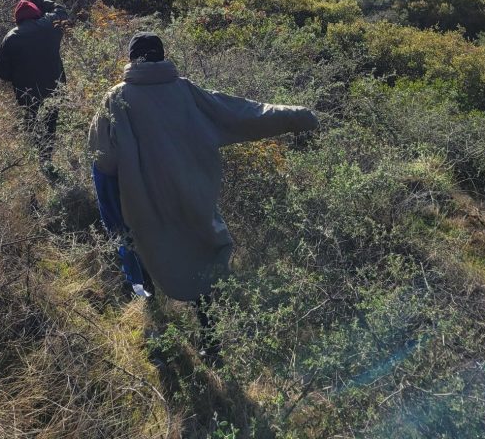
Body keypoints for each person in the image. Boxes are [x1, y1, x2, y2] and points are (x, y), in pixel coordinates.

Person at [88, 32, 319, 310]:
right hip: (193, 201)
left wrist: (116, 212)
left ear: (131, 59)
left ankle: (152, 310)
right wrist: (300, 115)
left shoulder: (116, 98)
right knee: (202, 266)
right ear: (163, 57)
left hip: (144, 208)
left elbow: (103, 162)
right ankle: (209, 335)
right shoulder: (187, 92)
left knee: (148, 254)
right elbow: (245, 113)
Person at [0, 0, 68, 166]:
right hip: (54, 86)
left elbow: (2, 73)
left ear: (17, 19)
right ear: (37, 13)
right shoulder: (50, 24)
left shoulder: (11, 37)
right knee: (50, 122)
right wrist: (42, 2)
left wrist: (18, 77)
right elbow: (62, 11)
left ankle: (34, 157)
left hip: (26, 91)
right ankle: (46, 160)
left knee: (31, 120)